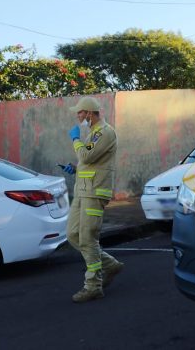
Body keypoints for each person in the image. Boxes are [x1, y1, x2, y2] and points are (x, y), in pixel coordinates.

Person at [62, 96, 124, 303]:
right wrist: (75, 167)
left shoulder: (105, 133)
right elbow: (87, 161)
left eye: (80, 113)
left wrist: (75, 139)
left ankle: (93, 285)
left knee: (87, 237)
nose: (78, 117)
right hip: (83, 190)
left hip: (95, 192)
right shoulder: (93, 134)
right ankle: (110, 264)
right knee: (72, 234)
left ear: (89, 113)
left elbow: (87, 156)